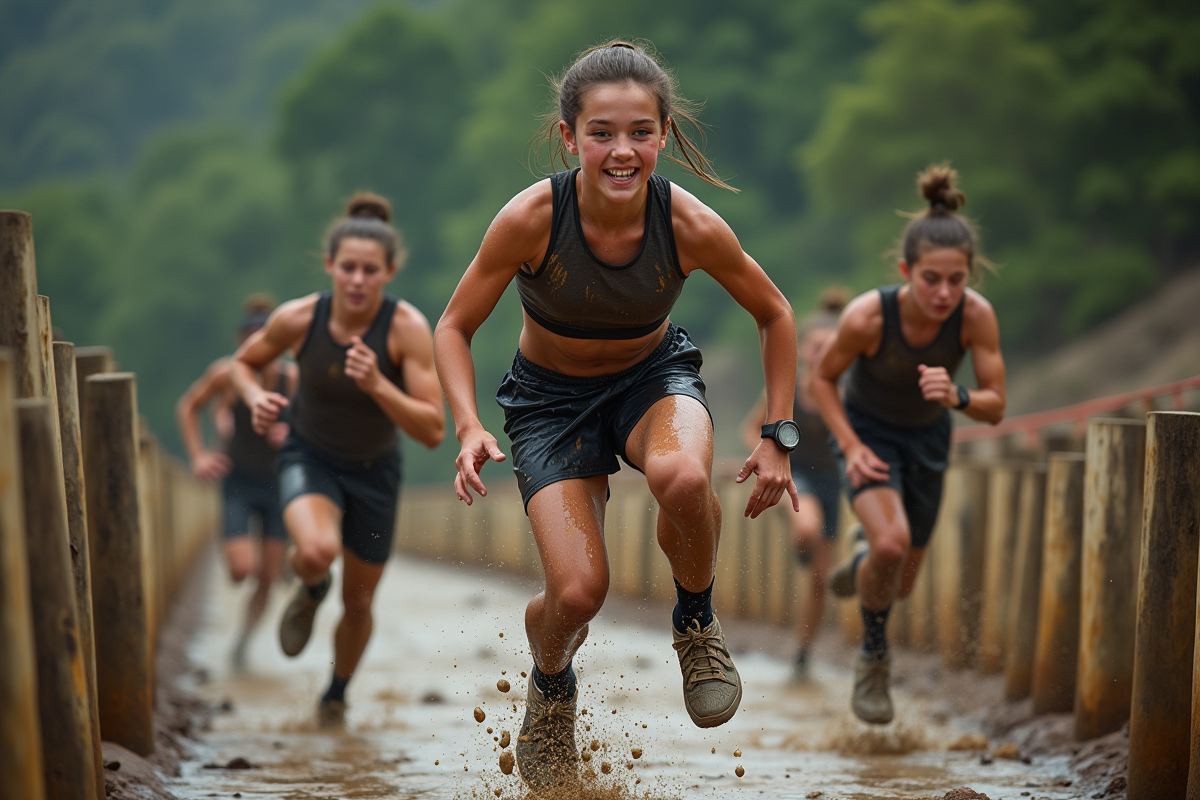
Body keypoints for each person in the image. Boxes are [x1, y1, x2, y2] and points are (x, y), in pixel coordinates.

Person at [433, 41, 799, 789]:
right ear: (569, 137)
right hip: (548, 403)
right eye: (602, 132)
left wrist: (777, 438)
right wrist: (468, 425)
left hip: (651, 379)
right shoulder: (532, 218)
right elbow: (451, 327)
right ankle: (553, 685)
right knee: (577, 594)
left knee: (681, 476)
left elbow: (775, 313)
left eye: (640, 131)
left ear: (664, 134)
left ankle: (694, 622)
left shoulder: (688, 224)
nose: (622, 150)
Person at [232, 193, 445, 728]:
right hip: (310, 457)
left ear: (389, 272)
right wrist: (257, 398)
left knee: (359, 604)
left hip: (377, 473)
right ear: (329, 265)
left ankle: (335, 696)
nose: (357, 280)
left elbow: (432, 430)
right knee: (315, 548)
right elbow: (242, 363)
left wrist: (378, 384)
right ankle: (310, 586)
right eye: (347, 267)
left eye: (370, 271)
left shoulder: (406, 330)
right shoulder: (299, 319)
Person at [814, 165, 1006, 724]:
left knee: (900, 580)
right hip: (867, 433)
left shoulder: (976, 319)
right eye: (930, 279)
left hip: (928, 437)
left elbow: (996, 405)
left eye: (957, 279)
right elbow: (822, 380)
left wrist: (959, 394)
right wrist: (848, 445)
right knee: (893, 545)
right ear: (906, 271)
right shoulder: (869, 316)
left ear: (970, 276)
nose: (944, 292)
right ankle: (873, 658)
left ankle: (863, 558)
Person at [176, 295, 297, 672]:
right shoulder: (225, 374)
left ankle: (243, 642)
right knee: (241, 569)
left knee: (267, 576)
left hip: (279, 484)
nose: (257, 345)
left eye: (264, 337)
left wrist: (292, 432)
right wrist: (199, 455)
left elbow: (320, 425)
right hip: (239, 481)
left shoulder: (293, 378)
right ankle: (275, 562)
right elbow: (188, 407)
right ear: (240, 341)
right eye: (250, 336)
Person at [740, 287, 848, 684]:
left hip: (830, 481)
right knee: (808, 529)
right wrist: (766, 450)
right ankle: (804, 540)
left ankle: (803, 653)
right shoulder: (787, 388)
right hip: (791, 473)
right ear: (806, 349)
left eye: (832, 348)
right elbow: (752, 425)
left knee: (821, 580)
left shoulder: (845, 392)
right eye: (817, 347)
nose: (823, 355)